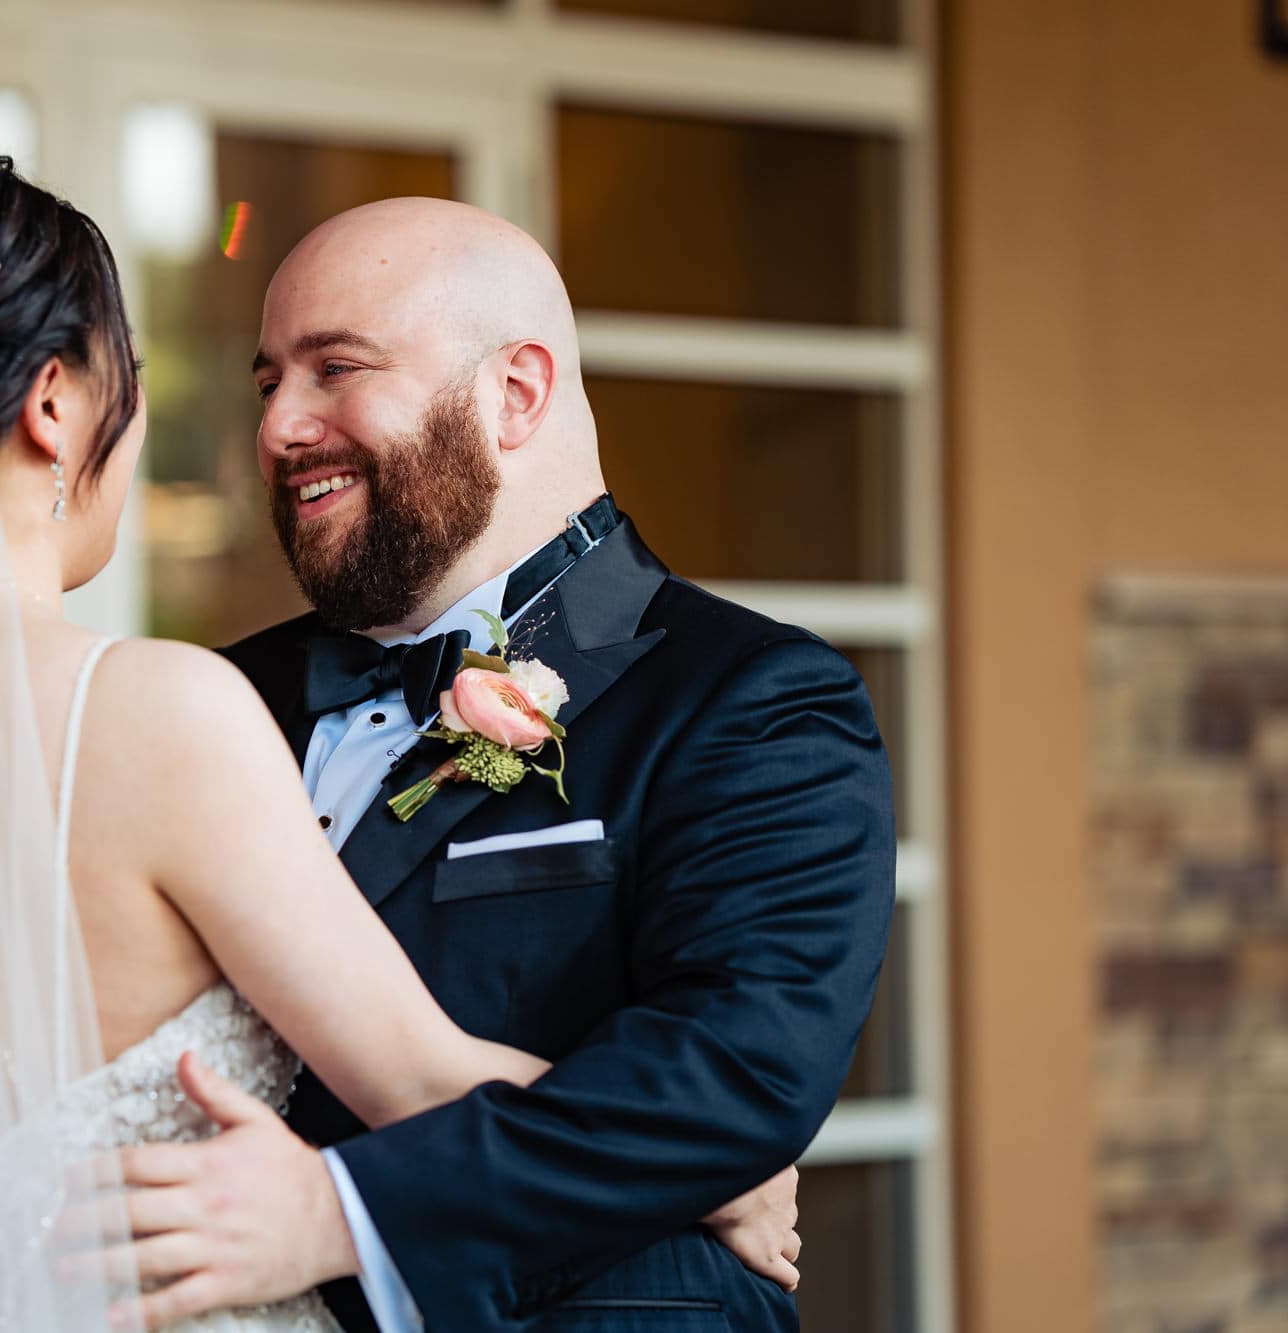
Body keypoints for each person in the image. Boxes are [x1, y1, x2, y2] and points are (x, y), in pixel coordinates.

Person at [0, 152, 799, 1333]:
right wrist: (725, 1169)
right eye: (138, 383)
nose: (269, 421)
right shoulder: (152, 710)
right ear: (55, 405)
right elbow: (419, 1077)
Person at [105, 197, 896, 1332]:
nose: (279, 425)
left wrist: (341, 1210)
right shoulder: (206, 703)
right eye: (269, 379)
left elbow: (728, 1079)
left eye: (335, 368)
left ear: (513, 395)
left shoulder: (752, 701)